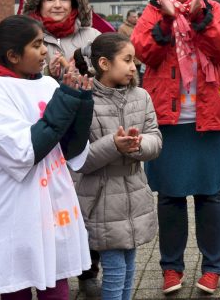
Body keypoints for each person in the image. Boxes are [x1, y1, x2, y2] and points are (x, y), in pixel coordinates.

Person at [131, 0, 220, 296]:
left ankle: (212, 267)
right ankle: (171, 267)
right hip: (167, 118)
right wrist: (165, 20)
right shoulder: (152, 11)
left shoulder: (213, 10)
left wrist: (199, 17)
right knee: (170, 197)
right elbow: (144, 52)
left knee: (210, 196)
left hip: (209, 117)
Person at [0, 15, 93, 299]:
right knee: (17, 285)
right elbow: (25, 151)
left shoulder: (47, 84)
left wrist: (81, 100)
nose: (45, 50)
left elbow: (71, 149)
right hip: (15, 208)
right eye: (37, 45)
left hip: (52, 205)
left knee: (57, 285)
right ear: (13, 55)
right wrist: (65, 102)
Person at [21, 0, 103, 295]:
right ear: (39, 4)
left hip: (86, 122)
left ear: (75, 3)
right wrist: (46, 73)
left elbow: (111, 69)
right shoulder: (29, 35)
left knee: (87, 199)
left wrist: (81, 69)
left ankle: (87, 270)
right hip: (45, 125)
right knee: (51, 202)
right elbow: (17, 74)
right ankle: (49, 265)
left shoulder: (91, 34)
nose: (56, 5)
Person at [73, 33, 161, 300]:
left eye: (134, 60)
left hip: (135, 192)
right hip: (101, 198)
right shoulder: (84, 101)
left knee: (130, 264)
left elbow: (155, 139)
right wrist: (114, 145)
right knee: (114, 269)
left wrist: (137, 145)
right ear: (104, 63)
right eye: (127, 60)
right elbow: (80, 159)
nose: (134, 66)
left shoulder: (141, 96)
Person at [22, 0, 101, 80]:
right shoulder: (27, 38)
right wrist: (48, 73)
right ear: (38, 5)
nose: (58, 5)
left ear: (73, 4)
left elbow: (109, 71)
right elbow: (21, 76)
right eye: (50, 0)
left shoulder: (93, 36)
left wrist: (85, 74)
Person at [118, 10, 143, 85]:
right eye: (134, 17)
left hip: (140, 58)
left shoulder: (139, 26)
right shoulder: (122, 28)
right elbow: (121, 44)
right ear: (128, 18)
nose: (136, 18)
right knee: (131, 80)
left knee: (140, 81)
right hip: (130, 59)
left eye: (137, 16)